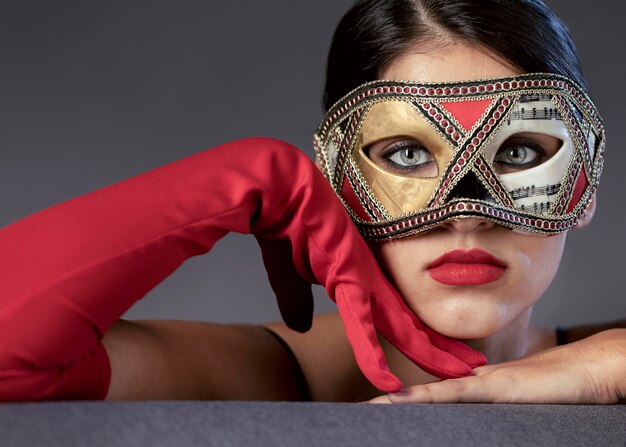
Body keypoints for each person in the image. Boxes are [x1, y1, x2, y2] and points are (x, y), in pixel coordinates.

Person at [0, 0, 624, 403]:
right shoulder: (268, 378)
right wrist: (245, 176)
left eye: (517, 153)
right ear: (337, 177)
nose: (466, 211)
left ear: (587, 175)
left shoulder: (612, 362)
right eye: (406, 154)